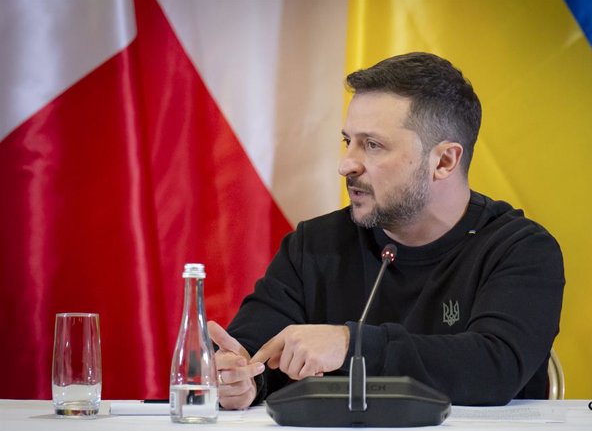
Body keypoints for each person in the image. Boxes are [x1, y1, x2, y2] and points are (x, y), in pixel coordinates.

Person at [208, 52, 565, 410]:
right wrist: (241, 379)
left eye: (373, 145)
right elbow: (250, 350)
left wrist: (351, 345)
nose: (347, 163)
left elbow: (493, 368)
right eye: (348, 141)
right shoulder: (314, 245)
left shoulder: (521, 249)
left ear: (444, 161)